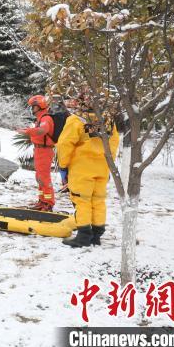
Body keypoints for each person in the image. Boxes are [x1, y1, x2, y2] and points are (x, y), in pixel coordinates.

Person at [58, 94, 119, 247]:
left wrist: (63, 165)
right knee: (98, 200)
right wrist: (108, 163)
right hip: (102, 167)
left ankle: (84, 236)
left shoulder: (76, 119)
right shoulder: (108, 119)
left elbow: (65, 144)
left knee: (82, 200)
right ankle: (97, 235)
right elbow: (114, 142)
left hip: (82, 168)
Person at [16, 95, 56, 211]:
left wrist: (27, 131)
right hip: (39, 149)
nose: (32, 109)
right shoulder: (41, 118)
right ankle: (42, 200)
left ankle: (48, 202)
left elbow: (43, 130)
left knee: (44, 177)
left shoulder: (45, 118)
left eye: (33, 107)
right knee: (39, 177)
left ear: (39, 106)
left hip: (44, 150)